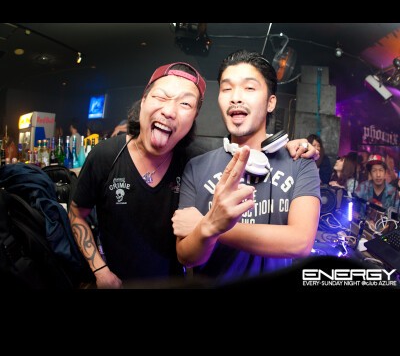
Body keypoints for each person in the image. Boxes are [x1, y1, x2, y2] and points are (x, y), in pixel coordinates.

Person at [69, 61, 318, 289]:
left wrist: (290, 148)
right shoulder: (107, 155)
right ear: (143, 101)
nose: (169, 111)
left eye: (185, 104)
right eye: (161, 97)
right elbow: (76, 214)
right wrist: (100, 271)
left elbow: (300, 241)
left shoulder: (192, 159)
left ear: (193, 118)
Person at [173, 50, 321, 284]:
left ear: (271, 102)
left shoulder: (300, 161)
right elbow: (186, 256)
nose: (235, 97)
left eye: (249, 88)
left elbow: (300, 242)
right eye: (226, 89)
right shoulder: (197, 167)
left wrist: (210, 226)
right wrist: (207, 229)